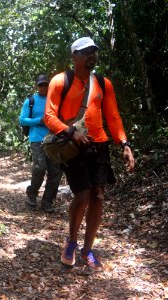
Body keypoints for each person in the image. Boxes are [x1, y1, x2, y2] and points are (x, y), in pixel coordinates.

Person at [44, 37, 135, 271]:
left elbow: (113, 117)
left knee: (98, 196)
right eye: (85, 52)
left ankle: (87, 250)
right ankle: (71, 243)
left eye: (93, 51)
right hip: (74, 146)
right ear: (74, 56)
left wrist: (123, 143)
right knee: (82, 195)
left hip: (100, 145)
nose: (91, 55)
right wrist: (70, 132)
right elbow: (49, 117)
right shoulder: (60, 81)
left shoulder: (104, 84)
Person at [19, 74, 63, 213]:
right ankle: (31, 194)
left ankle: (47, 202)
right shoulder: (30, 101)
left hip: (53, 139)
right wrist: (39, 120)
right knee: (40, 167)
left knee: (56, 171)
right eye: (41, 85)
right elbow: (22, 120)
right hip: (37, 139)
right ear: (36, 86)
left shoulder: (55, 99)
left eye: (45, 84)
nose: (43, 87)